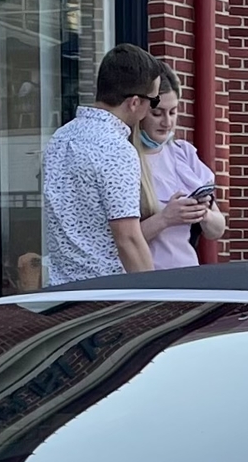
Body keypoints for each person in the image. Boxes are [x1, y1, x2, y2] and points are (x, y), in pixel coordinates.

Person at [37, 43, 167, 285]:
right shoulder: (117, 149)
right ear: (135, 102)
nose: (154, 106)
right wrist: (155, 296)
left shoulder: (60, 138)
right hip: (105, 293)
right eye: (154, 99)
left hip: (60, 289)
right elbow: (127, 238)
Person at [137, 65, 225, 270]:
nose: (167, 122)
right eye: (157, 113)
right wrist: (165, 218)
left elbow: (217, 229)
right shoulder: (125, 159)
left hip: (185, 275)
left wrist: (202, 213)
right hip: (146, 279)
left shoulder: (183, 154)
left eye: (173, 112)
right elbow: (121, 241)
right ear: (140, 111)